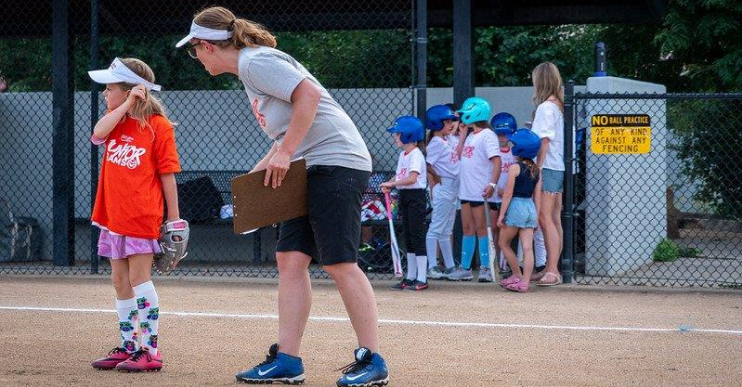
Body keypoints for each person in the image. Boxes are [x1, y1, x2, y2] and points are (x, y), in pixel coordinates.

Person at [175, 6, 388, 386]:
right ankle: (288, 359)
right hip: (308, 166)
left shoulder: (256, 61)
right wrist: (267, 164)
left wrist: (286, 153)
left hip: (336, 163)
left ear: (205, 46)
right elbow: (287, 130)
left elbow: (308, 96)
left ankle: (372, 360)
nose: (195, 57)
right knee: (290, 259)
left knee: (340, 262)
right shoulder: (251, 68)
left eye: (194, 50)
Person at [87, 57, 183, 372]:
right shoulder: (115, 121)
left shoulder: (158, 126)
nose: (104, 93)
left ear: (133, 89)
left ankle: (149, 350)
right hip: (113, 216)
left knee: (139, 279)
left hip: (141, 215)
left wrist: (174, 219)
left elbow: (168, 174)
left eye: (110, 88)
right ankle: (129, 345)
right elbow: (97, 134)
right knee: (119, 281)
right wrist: (125, 104)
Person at [447, 97, 501, 283]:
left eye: (465, 113)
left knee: (481, 229)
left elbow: (497, 161)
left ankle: (486, 267)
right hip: (466, 191)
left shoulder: (487, 135)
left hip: (479, 190)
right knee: (467, 229)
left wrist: (492, 184)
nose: (462, 117)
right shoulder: (471, 135)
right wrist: (462, 135)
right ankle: (465, 268)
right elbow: (459, 155)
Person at [381, 116, 428, 290]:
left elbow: (412, 179)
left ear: (408, 135)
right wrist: (390, 183)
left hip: (416, 197)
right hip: (405, 197)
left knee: (416, 235)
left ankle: (422, 278)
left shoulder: (416, 154)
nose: (395, 137)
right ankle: (410, 277)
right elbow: (401, 176)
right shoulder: (403, 154)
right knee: (407, 236)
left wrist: (392, 184)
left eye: (397, 134)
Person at [530, 62, 565, 286]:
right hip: (557, 166)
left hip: (548, 167)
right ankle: (553, 268)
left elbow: (544, 140)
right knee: (553, 219)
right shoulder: (558, 106)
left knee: (545, 219)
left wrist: (538, 168)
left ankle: (552, 270)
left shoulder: (545, 108)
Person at [497, 129, 542, 292]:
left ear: (521, 149)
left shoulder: (514, 168)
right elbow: (537, 197)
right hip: (530, 208)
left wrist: (501, 214)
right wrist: (536, 216)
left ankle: (516, 274)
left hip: (516, 206)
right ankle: (525, 282)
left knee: (504, 243)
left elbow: (508, 193)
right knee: (527, 247)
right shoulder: (537, 170)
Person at [424, 105, 462, 280]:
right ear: (436, 124)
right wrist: (436, 176)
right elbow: (427, 163)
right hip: (444, 186)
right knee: (436, 228)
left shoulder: (448, 140)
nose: (451, 124)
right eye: (446, 122)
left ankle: (450, 266)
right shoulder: (436, 143)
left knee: (447, 229)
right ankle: (431, 266)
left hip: (453, 187)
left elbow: (457, 144)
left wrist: (460, 128)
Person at [490, 112, 518, 273]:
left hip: (508, 198)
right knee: (493, 228)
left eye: (505, 134)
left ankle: (502, 264)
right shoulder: (493, 152)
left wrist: (507, 190)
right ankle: (491, 263)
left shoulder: (514, 154)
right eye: (498, 134)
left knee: (504, 232)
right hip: (494, 196)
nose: (502, 138)